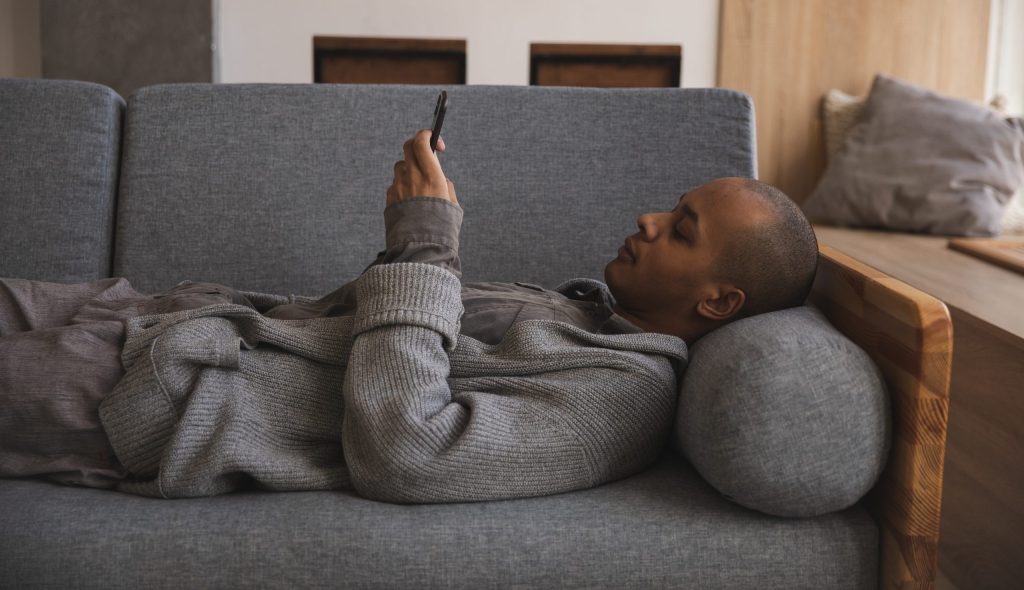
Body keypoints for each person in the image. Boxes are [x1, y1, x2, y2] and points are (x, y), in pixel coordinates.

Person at [0, 130, 818, 503]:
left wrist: (425, 246)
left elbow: (409, 455)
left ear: (718, 301)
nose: (647, 222)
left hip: (167, 388)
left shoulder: (624, 399)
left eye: (680, 230)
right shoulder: (587, 314)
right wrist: (414, 244)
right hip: (162, 316)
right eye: (667, 211)